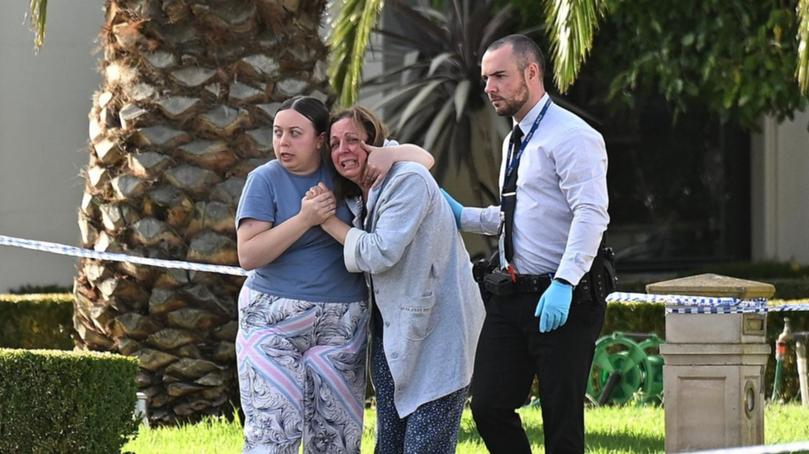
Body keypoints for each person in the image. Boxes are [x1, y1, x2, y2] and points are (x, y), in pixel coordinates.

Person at [441, 34, 613, 453]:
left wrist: (565, 282)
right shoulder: (514, 138)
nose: (489, 87)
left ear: (531, 72)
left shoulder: (572, 135)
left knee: (562, 421)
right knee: (488, 406)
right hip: (512, 297)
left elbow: (591, 214)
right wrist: (465, 216)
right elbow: (519, 216)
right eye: (485, 78)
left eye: (499, 75)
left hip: (565, 297)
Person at [235, 96, 434, 454]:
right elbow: (248, 254)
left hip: (342, 323)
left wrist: (390, 154)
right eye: (278, 132)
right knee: (273, 431)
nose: (283, 142)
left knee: (337, 439)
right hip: (271, 322)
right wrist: (305, 219)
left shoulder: (344, 170)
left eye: (295, 133)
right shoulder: (263, 179)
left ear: (320, 140)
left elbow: (424, 161)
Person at [307, 106, 485, 454]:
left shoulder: (407, 180)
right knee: (389, 445)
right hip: (392, 335)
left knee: (424, 446)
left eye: (354, 140)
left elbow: (379, 252)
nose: (344, 150)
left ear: (373, 143)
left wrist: (326, 222)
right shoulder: (360, 193)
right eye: (336, 143)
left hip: (438, 334)